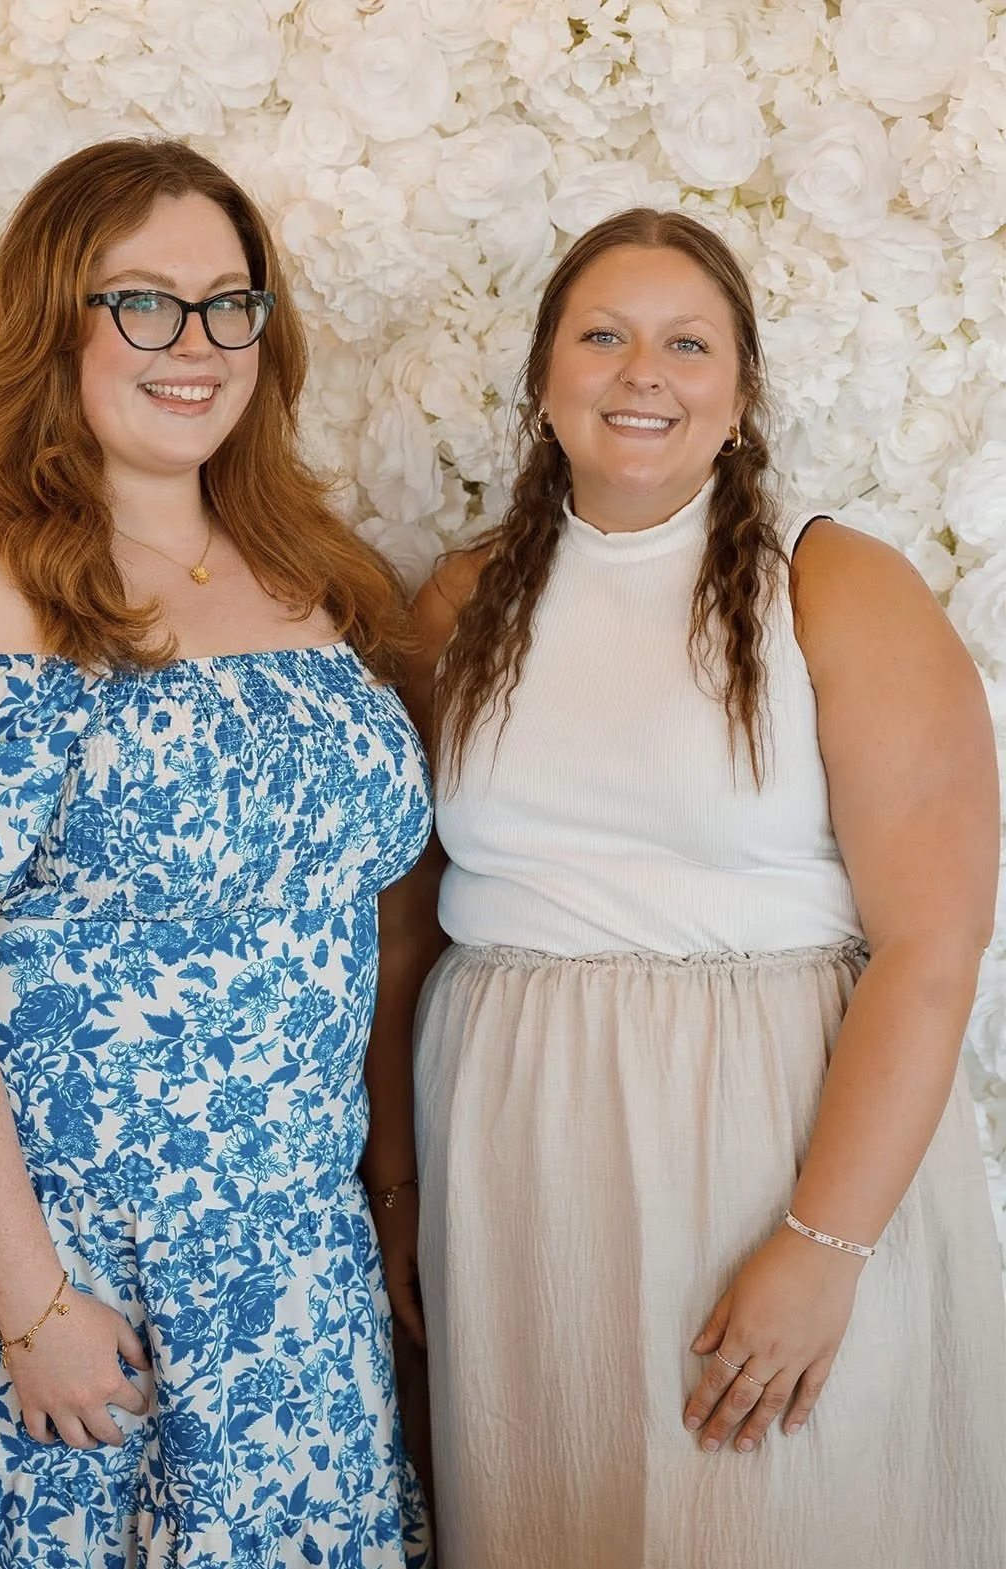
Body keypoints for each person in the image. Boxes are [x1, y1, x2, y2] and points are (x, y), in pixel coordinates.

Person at [0, 137, 432, 1568]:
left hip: (277, 1257)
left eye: (229, 302)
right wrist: (34, 1311)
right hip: (53, 1267)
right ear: (55, 327)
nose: (195, 343)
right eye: (141, 301)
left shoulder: (313, 581)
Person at [367, 208, 1006, 1568]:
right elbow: (409, 907)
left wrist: (823, 1248)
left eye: (685, 342)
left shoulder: (836, 588)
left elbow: (934, 950)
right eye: (601, 336)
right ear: (544, 380)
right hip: (518, 1151)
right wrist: (401, 1179)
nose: (640, 373)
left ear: (741, 390)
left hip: (776, 1147)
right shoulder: (463, 602)